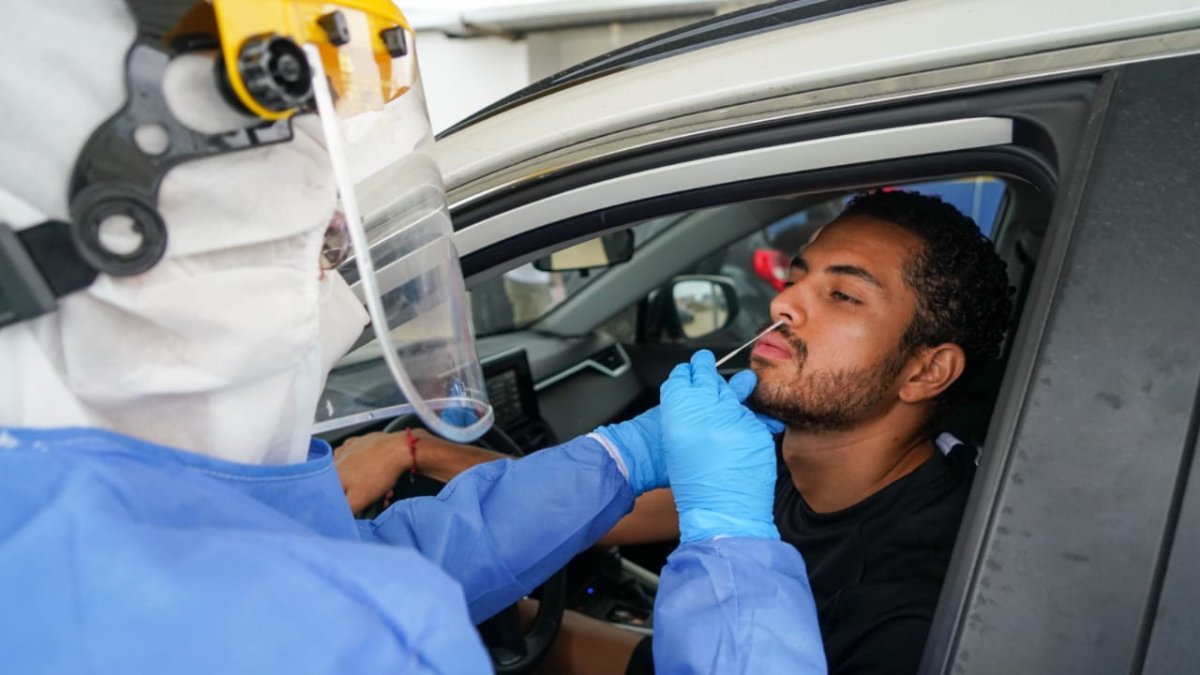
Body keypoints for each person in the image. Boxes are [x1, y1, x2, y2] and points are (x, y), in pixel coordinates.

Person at [0, 2, 827, 673]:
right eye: (305, 252)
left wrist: (615, 460)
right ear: (114, 245)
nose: (334, 290)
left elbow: (363, 557)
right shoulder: (351, 641)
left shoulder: (76, 522)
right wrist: (734, 551)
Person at [334, 189, 1014, 674]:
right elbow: (601, 514)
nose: (783, 302)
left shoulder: (921, 607)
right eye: (798, 275)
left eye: (842, 295)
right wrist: (413, 450)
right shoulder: (778, 462)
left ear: (927, 371)